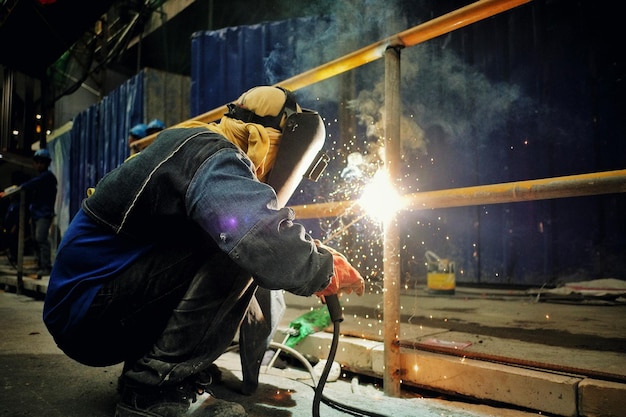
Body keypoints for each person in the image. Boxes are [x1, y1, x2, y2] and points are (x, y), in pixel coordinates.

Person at [42, 86, 365, 417]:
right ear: (272, 138)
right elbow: (252, 232)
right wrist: (321, 270)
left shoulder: (200, 144)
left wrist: (307, 254)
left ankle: (160, 370)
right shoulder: (210, 153)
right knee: (241, 243)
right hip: (88, 313)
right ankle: (152, 390)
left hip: (91, 306)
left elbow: (254, 224)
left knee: (244, 237)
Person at [0, 149, 58, 276]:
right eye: (36, 162)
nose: (37, 165)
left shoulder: (47, 177)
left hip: (44, 213)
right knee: (35, 240)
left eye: (40, 162)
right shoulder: (41, 179)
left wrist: (14, 190)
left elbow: (30, 185)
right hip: (36, 213)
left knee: (41, 238)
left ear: (46, 163)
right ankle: (40, 264)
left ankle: (46, 266)